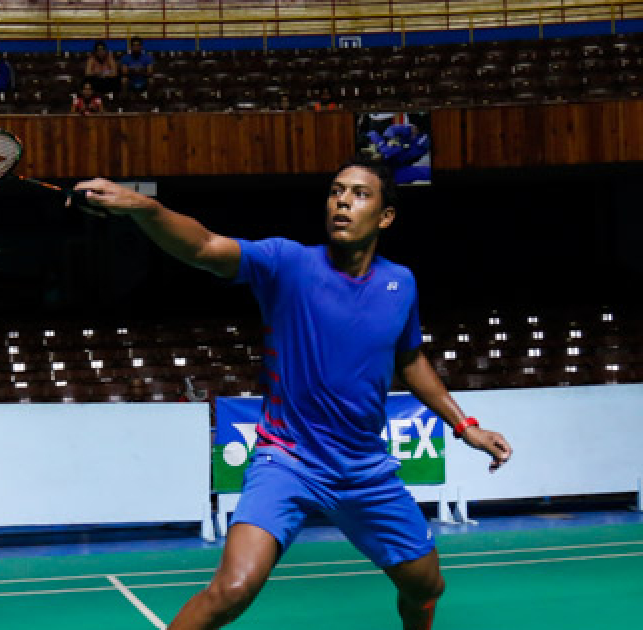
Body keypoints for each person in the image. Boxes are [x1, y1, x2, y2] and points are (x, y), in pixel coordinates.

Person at [72, 158, 513, 630]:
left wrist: (464, 425)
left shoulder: (399, 283)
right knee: (233, 589)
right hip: (288, 459)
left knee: (425, 585)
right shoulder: (287, 264)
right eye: (336, 191)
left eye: (360, 194)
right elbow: (202, 246)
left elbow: (409, 359)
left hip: (364, 469)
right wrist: (145, 209)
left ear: (385, 217)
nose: (343, 201)